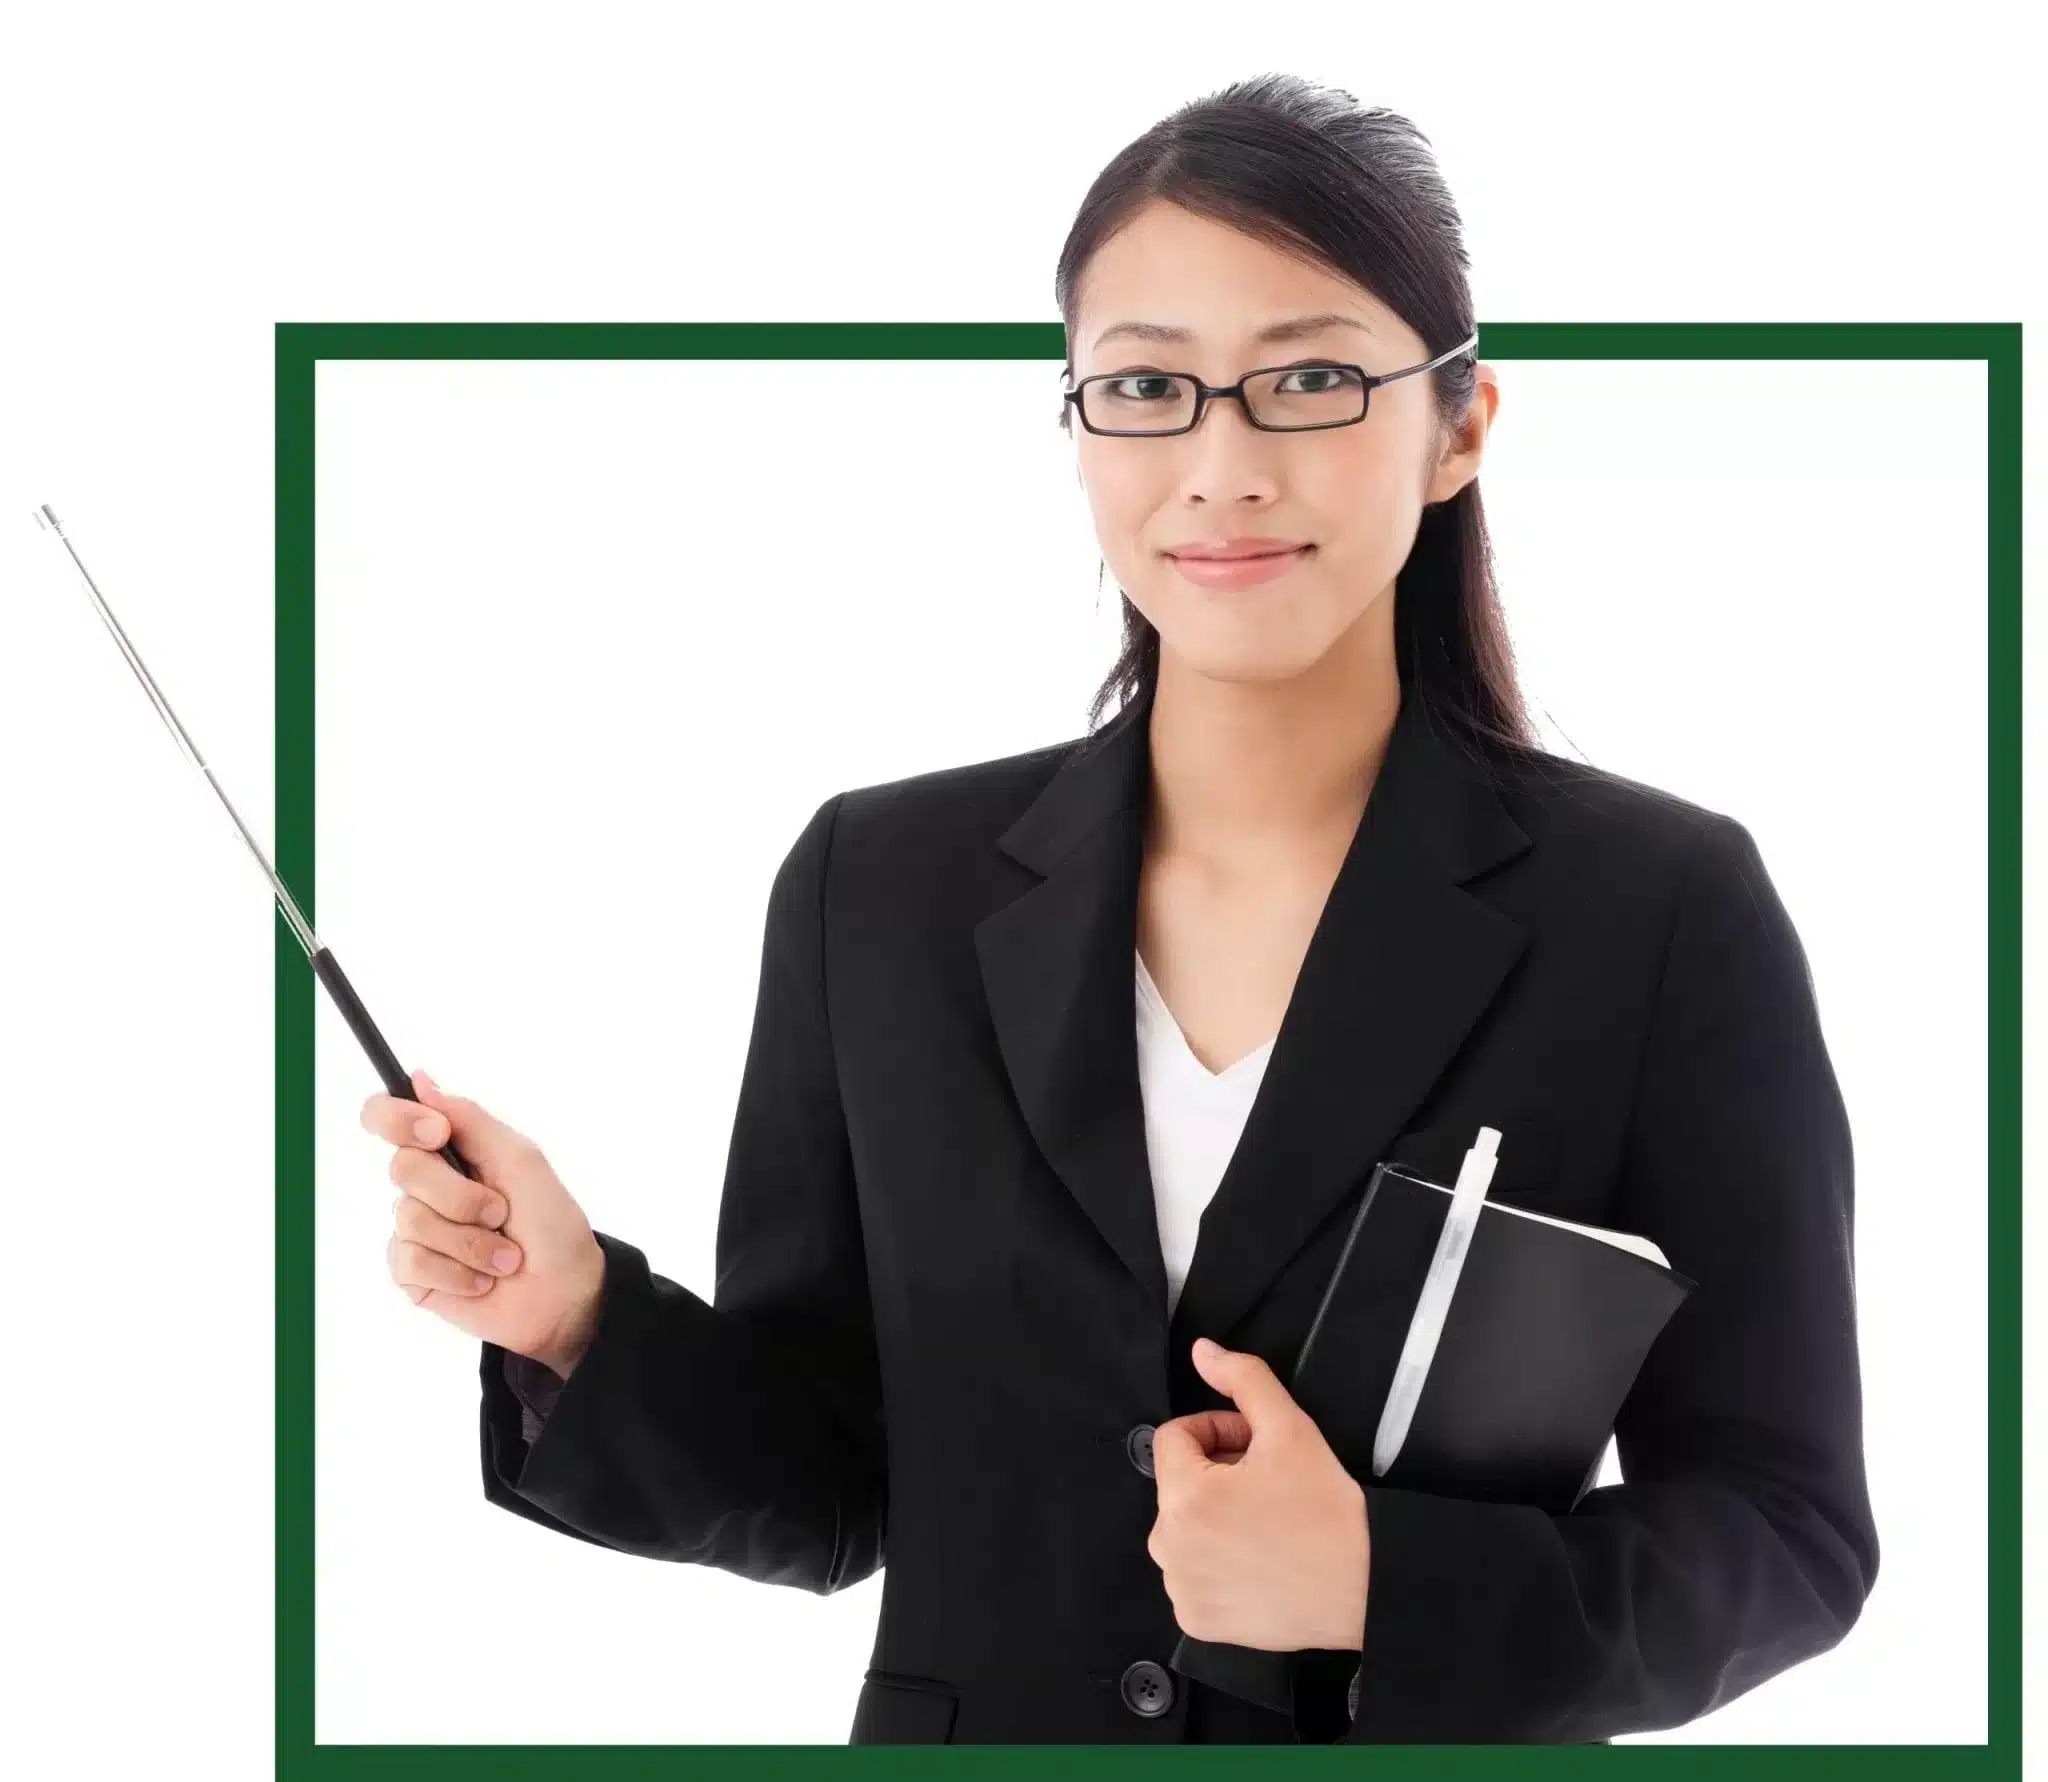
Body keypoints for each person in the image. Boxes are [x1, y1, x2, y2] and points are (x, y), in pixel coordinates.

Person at [363, 73, 1878, 1745]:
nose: (1220, 467)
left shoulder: (1660, 909)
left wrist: (1385, 1581)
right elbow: (832, 1483)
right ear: (1080, 424)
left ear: (1457, 427)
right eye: (1150, 385)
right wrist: (574, 1311)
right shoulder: (877, 890)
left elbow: (1786, 1531)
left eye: (1309, 378)